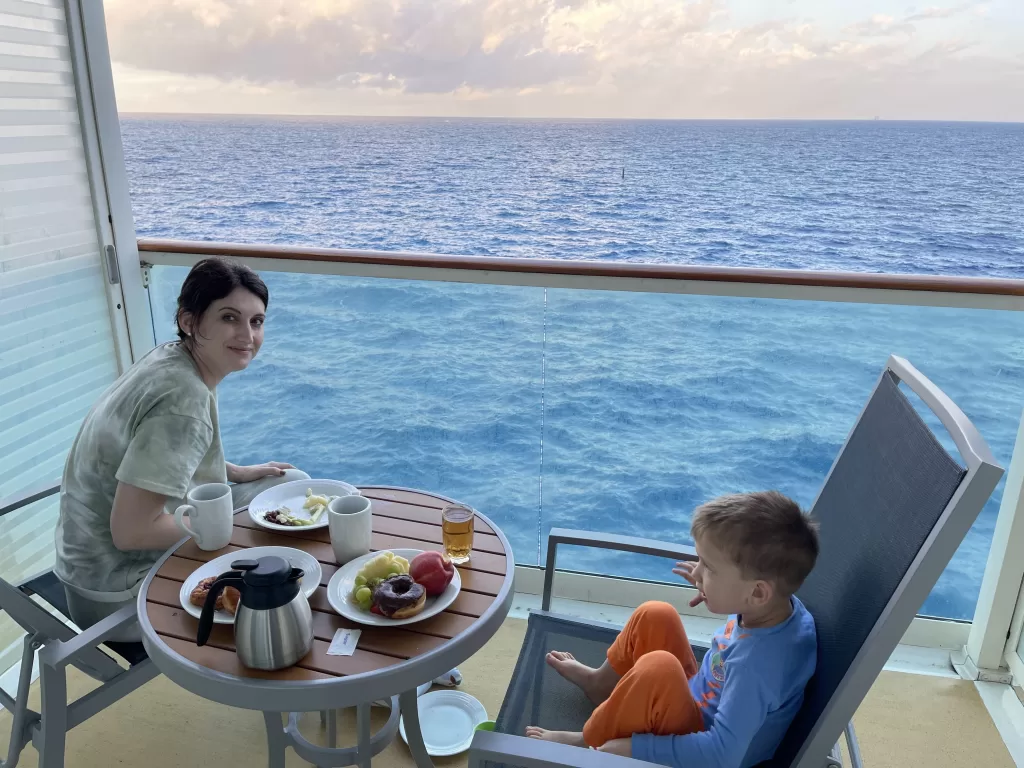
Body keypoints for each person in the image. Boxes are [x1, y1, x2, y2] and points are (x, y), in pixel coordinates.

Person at [55, 257, 308, 640]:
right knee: (279, 544)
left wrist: (235, 472)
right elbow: (131, 532)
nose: (247, 335)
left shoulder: (172, 358)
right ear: (189, 321)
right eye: (228, 318)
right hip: (118, 593)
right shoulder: (184, 399)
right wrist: (228, 530)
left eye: (256, 321)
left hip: (83, 571)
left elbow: (155, 454)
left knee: (289, 484)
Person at [526, 491, 819, 768]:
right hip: (698, 700)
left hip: (703, 742)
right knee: (656, 614)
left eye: (709, 568)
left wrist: (637, 749)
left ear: (757, 592)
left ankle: (585, 742)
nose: (698, 572)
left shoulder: (757, 668)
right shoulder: (774, 609)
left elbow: (722, 756)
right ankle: (601, 684)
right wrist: (712, 587)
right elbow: (746, 606)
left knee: (659, 668)